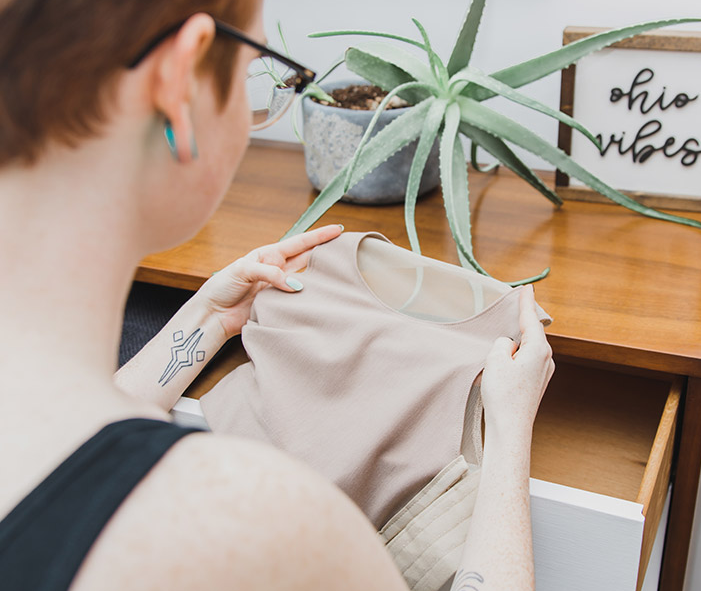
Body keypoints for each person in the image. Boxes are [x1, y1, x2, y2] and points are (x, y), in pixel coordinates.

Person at [0, 1, 555, 589]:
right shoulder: (265, 524)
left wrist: (210, 318)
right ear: (178, 83)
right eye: (251, 72)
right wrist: (509, 434)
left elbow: (75, 444)